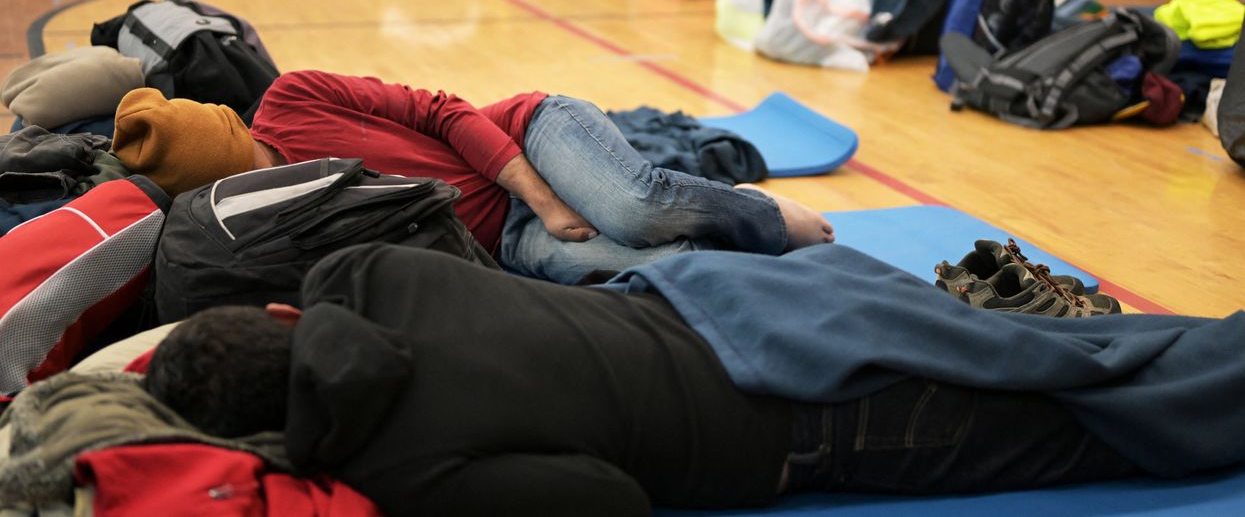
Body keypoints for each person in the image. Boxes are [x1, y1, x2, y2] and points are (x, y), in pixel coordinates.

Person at [144, 242, 1245, 516]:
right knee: (1104, 354)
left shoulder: (409, 464)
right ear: (279, 317)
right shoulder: (362, 270)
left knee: (1110, 420)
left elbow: (609, 500)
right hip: (753, 294)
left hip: (794, 415)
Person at [109, 70, 834, 284]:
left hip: (530, 143)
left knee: (634, 208)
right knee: (646, 268)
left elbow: (443, 110)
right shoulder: (258, 227)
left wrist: (542, 200)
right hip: (503, 246)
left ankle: (758, 213)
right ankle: (721, 229)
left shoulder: (294, 98)